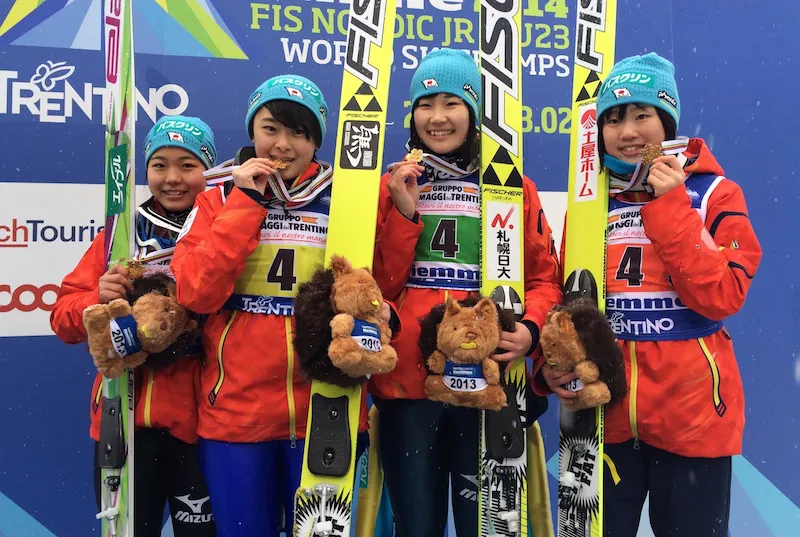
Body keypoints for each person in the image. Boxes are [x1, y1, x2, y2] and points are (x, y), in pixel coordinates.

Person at [538, 52, 762, 536]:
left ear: (668, 121)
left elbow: (723, 295)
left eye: (642, 115)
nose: (628, 132)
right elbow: (561, 298)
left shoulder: (715, 194)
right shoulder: (589, 204)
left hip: (692, 416)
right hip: (602, 413)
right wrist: (548, 365)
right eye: (613, 119)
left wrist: (672, 205)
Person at [170, 75, 382, 537]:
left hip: (326, 407)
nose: (282, 145)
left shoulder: (347, 199)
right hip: (236, 412)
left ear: (316, 141)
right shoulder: (217, 197)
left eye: (298, 133)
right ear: (252, 131)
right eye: (270, 129)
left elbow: (382, 289)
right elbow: (195, 293)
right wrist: (246, 201)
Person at [368, 48, 563, 537]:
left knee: (488, 527)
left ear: (474, 113)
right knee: (417, 525)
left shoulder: (512, 186)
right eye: (425, 104)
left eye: (451, 103)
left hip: (488, 380)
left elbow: (544, 280)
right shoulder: (390, 186)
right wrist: (403, 213)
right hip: (409, 384)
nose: (437, 117)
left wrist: (530, 331)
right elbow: (377, 290)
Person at [50, 115, 218, 536]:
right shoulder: (120, 236)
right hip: (124, 421)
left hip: (203, 425)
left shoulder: (225, 234)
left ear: (209, 171)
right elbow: (63, 320)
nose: (172, 178)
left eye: (188, 165)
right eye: (159, 165)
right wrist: (97, 298)